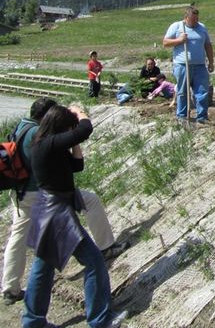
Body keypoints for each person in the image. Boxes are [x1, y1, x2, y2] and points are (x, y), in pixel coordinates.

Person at [1, 99, 127, 308]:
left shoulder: (22, 127)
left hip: (22, 194)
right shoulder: (40, 137)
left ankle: (11, 288)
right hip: (46, 197)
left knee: (21, 239)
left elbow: (75, 163)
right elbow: (82, 136)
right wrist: (79, 115)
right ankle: (105, 247)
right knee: (91, 207)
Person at [163, 6, 215, 124]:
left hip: (200, 65)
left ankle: (202, 117)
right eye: (193, 19)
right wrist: (179, 40)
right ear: (186, 18)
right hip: (182, 65)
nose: (196, 21)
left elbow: (208, 45)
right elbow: (165, 42)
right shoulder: (176, 27)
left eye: (197, 18)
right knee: (183, 91)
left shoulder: (202, 28)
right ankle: (182, 116)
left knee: (202, 91)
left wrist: (211, 62)